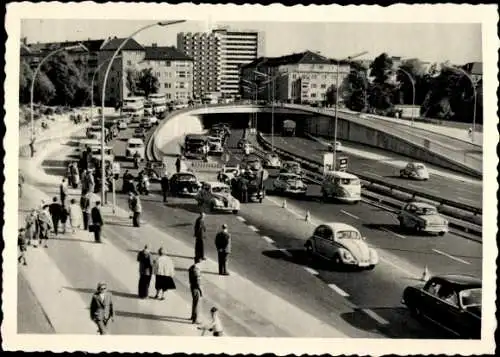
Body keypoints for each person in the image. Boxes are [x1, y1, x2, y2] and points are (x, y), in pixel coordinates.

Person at [188, 258, 203, 324]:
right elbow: (198, 282)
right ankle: (195, 319)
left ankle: (192, 316)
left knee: (194, 302)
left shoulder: (191, 267)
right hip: (196, 288)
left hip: (192, 286)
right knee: (197, 303)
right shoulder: (196, 270)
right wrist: (201, 290)